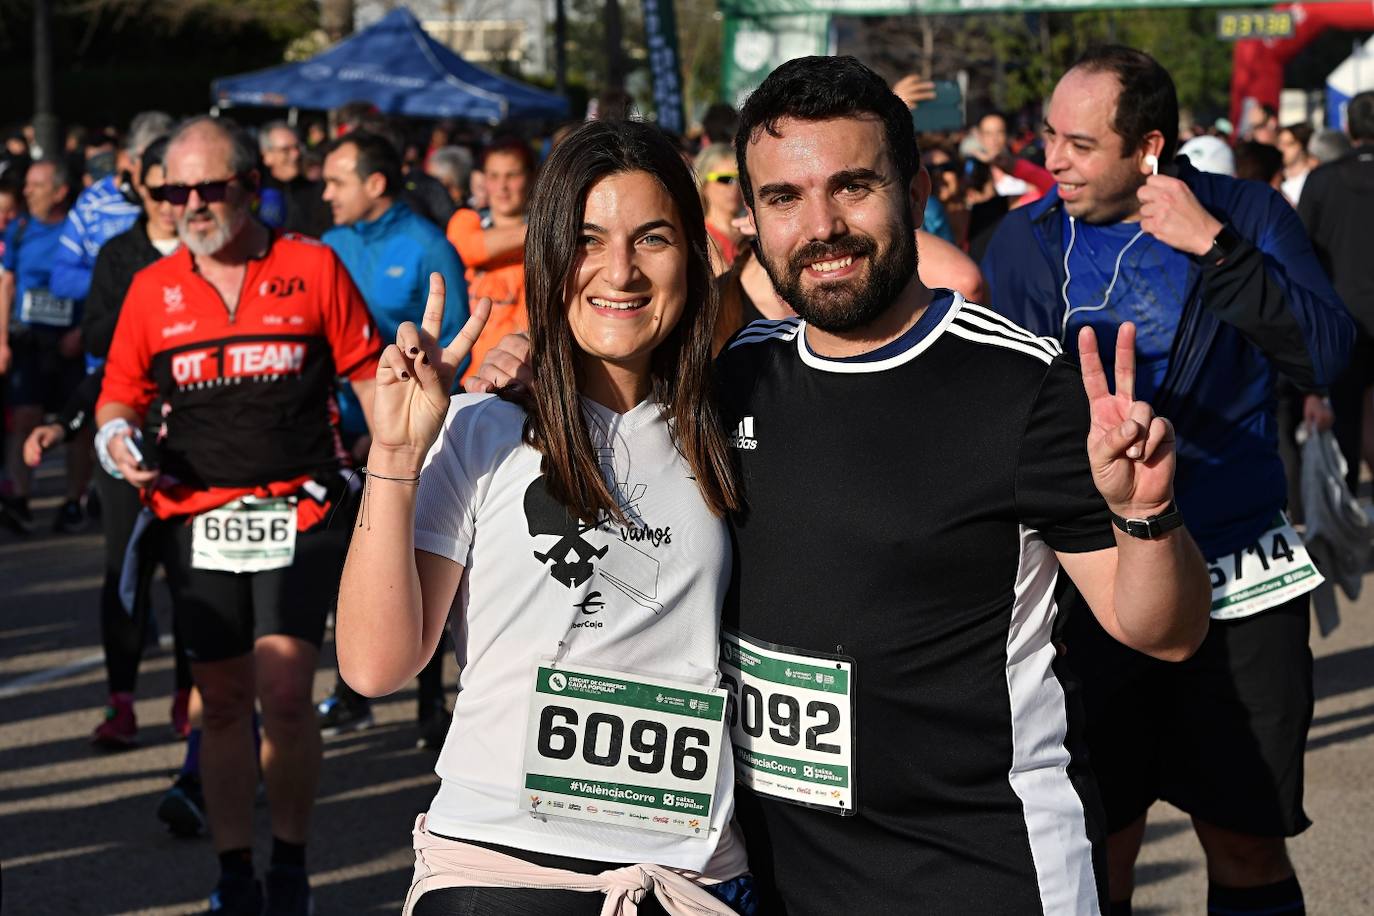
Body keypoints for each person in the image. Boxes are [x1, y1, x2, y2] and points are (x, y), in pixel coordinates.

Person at [474, 55, 1213, 915]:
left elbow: (1161, 630)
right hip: (773, 883)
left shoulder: (1020, 388)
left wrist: (1146, 514)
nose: (821, 226)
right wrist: (535, 366)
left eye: (853, 187)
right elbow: (630, 337)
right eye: (785, 198)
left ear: (917, 188)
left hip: (979, 875)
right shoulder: (735, 375)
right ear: (750, 219)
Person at [337, 118, 755, 915]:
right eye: (589, 240)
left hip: (690, 879)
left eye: (653, 238)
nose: (620, 271)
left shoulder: (730, 423)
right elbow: (374, 667)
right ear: (552, 253)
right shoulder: (481, 428)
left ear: (692, 257)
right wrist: (394, 454)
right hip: (501, 871)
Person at [981, 46, 1354, 916]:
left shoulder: (1246, 214)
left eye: (1078, 144)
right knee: (1100, 847)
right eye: (1049, 139)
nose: (1054, 161)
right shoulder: (1025, 244)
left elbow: (1329, 355)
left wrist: (1218, 252)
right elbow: (997, 421)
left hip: (1239, 574)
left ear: (1148, 148)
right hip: (1091, 586)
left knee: (1247, 842)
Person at [95, 115, 382, 915]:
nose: (190, 203)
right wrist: (116, 434)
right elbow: (120, 391)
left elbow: (366, 375)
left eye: (208, 187)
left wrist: (408, 462)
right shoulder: (152, 289)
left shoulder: (312, 265)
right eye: (173, 190)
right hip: (197, 516)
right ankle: (232, 875)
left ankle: (288, 868)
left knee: (286, 695)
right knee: (220, 705)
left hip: (301, 508)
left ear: (250, 187)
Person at [315, 129, 469, 746]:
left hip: (409, 437)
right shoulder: (327, 246)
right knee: (347, 572)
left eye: (336, 181)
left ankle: (431, 701)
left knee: (417, 570)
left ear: (375, 184)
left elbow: (455, 340)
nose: (324, 193)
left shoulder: (426, 245)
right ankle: (351, 692)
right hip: (339, 439)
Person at [0, 159, 87, 534]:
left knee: (77, 426)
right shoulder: (19, 230)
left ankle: (73, 501)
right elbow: (7, 282)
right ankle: (20, 497)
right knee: (24, 418)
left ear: (60, 192)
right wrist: (1, 339)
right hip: (28, 338)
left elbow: (101, 284)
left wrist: (82, 331)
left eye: (37, 185)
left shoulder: (79, 230)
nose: (28, 191)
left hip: (70, 340)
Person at [1299, 91, 1374, 498]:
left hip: (1339, 319)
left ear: (1348, 128)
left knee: (1344, 418)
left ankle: (1346, 508)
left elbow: (1298, 254)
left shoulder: (1322, 181)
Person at [49, 111, 173, 303]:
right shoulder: (92, 203)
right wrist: (121, 283)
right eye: (150, 163)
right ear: (128, 158)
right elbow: (62, 279)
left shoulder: (184, 200)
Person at [445, 137, 534, 382]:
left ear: (531, 177)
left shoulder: (545, 248)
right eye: (494, 176)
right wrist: (544, 230)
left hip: (517, 378)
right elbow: (466, 249)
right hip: (463, 378)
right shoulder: (466, 220)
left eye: (512, 175)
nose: (502, 186)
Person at [257, 121, 331, 238]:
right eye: (286, 150)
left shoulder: (318, 191)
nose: (296, 154)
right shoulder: (253, 190)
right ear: (267, 155)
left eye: (297, 147)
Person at [695, 144, 745, 274]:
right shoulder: (700, 238)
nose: (734, 186)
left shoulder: (752, 231)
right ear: (704, 184)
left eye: (740, 179)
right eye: (725, 179)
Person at [1276, 123, 1315, 205]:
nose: (1282, 149)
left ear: (1302, 146)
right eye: (1280, 143)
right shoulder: (1275, 177)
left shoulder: (1314, 177)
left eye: (1289, 144)